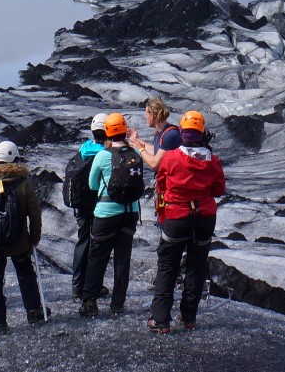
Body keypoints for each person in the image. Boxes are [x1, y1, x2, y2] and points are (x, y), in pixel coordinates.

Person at [147, 111, 226, 333]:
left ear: (182, 132)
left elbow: (161, 184)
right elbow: (218, 190)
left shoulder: (171, 158)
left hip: (176, 217)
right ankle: (188, 317)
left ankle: (161, 320)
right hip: (204, 218)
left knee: (167, 267)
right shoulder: (213, 161)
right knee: (196, 267)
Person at [0, 140, 48, 333]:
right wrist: (34, 238)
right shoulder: (23, 184)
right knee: (25, 274)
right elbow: (34, 214)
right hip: (19, 241)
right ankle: (33, 312)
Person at [82, 112, 145, 317]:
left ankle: (90, 302)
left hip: (106, 213)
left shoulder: (102, 155)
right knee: (122, 259)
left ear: (108, 132)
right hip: (130, 212)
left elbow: (92, 185)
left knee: (97, 257)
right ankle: (118, 303)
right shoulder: (135, 154)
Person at [65, 112, 108, 307]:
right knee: (97, 246)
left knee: (82, 242)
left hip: (81, 205)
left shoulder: (83, 150)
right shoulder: (104, 154)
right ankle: (93, 286)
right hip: (98, 205)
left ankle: (77, 286)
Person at [132, 96, 181, 168]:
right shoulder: (160, 132)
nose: (146, 118)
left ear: (152, 116)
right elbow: (156, 151)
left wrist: (141, 149)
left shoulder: (170, 135)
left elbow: (154, 164)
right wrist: (136, 140)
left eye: (147, 114)